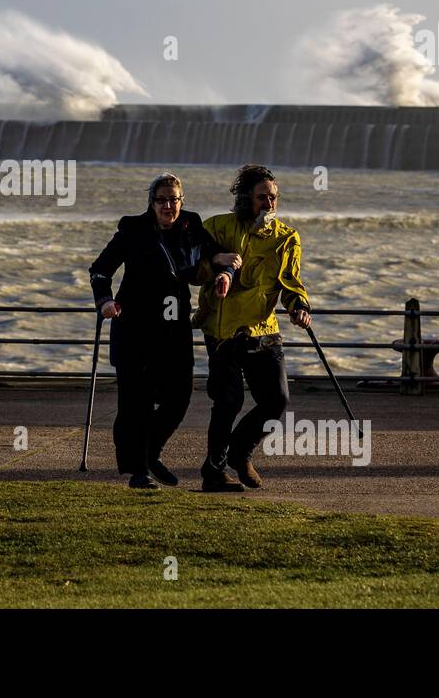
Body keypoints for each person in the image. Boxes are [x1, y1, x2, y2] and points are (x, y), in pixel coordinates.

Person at [89, 173, 236, 489]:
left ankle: (150, 452)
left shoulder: (192, 225)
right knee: (136, 402)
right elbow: (99, 270)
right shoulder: (132, 230)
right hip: (134, 329)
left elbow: (212, 255)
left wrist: (225, 269)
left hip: (175, 329)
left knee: (179, 396)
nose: (169, 206)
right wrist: (104, 301)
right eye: (162, 200)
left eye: (174, 199)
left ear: (182, 201)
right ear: (151, 202)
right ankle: (139, 470)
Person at [192, 165, 311, 492]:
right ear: (245, 198)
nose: (269, 204)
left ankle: (240, 453)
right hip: (223, 330)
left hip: (264, 329)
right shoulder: (217, 226)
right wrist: (217, 264)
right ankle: (213, 473)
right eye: (262, 198)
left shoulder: (287, 237)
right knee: (228, 401)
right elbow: (194, 268)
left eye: (273, 197)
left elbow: (291, 283)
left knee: (277, 400)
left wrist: (299, 306)